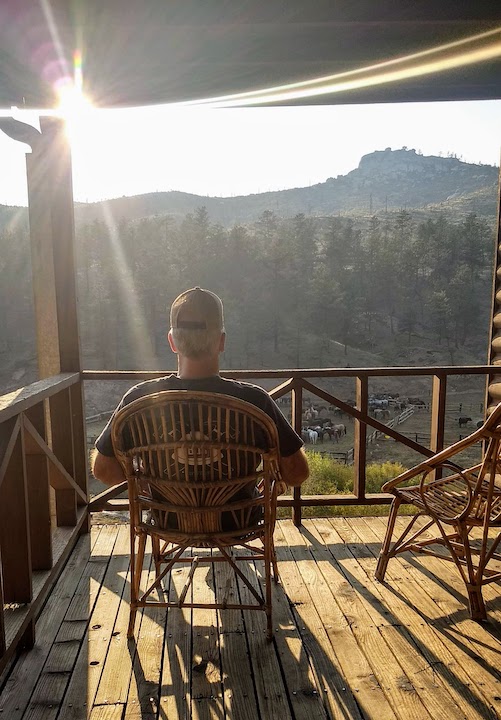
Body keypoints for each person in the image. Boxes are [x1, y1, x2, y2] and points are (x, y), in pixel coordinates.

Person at [92, 287, 309, 491]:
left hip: (167, 522)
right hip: (239, 524)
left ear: (172, 342)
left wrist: (142, 481)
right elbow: (297, 473)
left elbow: (103, 470)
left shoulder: (141, 399)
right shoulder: (255, 402)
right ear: (221, 341)